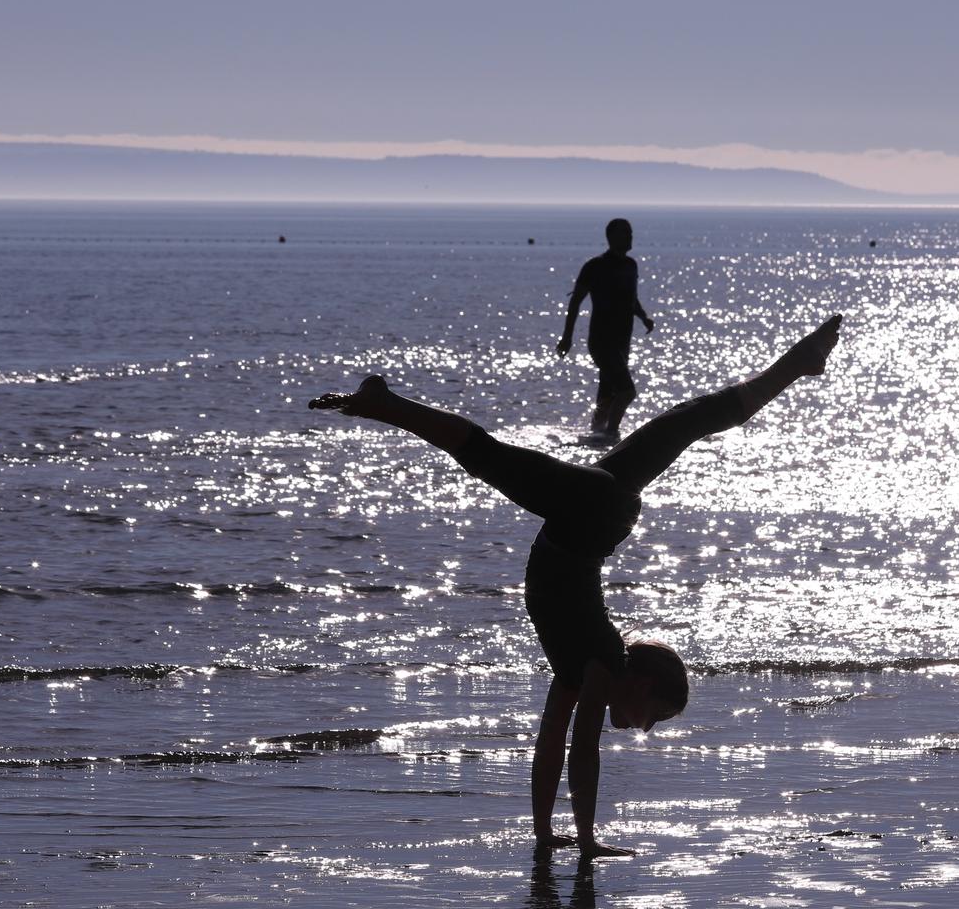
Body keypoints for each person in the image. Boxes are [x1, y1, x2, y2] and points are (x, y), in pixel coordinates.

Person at [310, 315, 842, 857]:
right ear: (642, 685)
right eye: (654, 716)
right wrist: (587, 843)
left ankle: (797, 364)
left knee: (689, 421)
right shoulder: (602, 664)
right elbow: (582, 753)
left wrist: (545, 837)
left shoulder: (575, 668)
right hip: (592, 516)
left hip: (585, 522)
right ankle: (386, 403)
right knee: (494, 457)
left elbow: (549, 749)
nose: (646, 730)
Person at [556, 218, 655, 439]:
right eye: (625, 233)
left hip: (622, 341)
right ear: (611, 237)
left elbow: (632, 299)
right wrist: (567, 337)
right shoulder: (595, 266)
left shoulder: (631, 265)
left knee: (608, 395)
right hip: (602, 342)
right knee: (627, 391)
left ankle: (595, 436)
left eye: (630, 233)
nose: (630, 237)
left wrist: (643, 317)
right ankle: (612, 437)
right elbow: (575, 303)